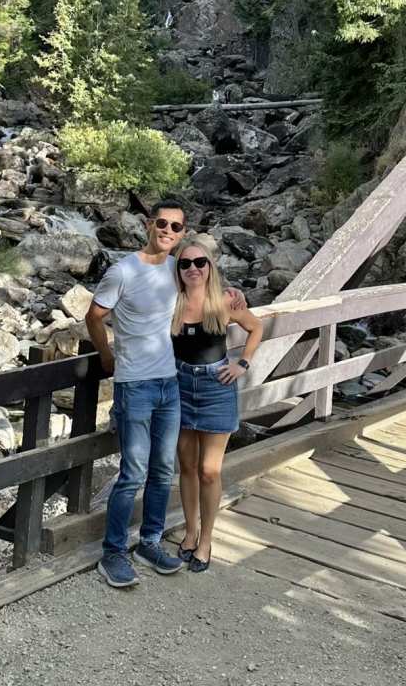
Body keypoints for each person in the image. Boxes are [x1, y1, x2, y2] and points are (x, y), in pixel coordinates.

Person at [85, 201, 245, 588]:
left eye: (176, 226)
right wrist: (107, 355)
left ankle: (150, 542)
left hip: (170, 384)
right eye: (162, 223)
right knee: (133, 472)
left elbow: (203, 287)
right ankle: (114, 552)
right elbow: (93, 315)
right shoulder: (124, 270)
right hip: (135, 384)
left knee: (161, 472)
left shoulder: (178, 269)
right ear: (148, 224)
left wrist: (230, 294)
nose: (168, 231)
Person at [172, 234, 263, 572]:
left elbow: (256, 328)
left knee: (210, 471)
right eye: (185, 263)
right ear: (178, 270)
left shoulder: (225, 301)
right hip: (180, 385)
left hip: (215, 387)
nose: (193, 268)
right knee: (187, 467)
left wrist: (243, 363)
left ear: (210, 267)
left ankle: (206, 539)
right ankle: (191, 530)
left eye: (200, 262)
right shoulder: (173, 301)